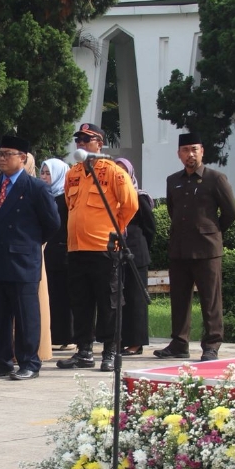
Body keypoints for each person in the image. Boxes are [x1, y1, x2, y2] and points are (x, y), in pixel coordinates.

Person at [0, 136, 60, 381]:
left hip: (22, 261)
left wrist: (29, 243)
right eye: (0, 153)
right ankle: (1, 361)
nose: (2, 158)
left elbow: (52, 224)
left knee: (26, 316)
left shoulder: (36, 188)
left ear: (22, 158)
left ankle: (29, 362)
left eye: (8, 154)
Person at [56, 122, 138, 372]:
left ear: (99, 143)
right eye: (78, 139)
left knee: (109, 303)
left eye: (86, 139)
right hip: (77, 248)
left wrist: (115, 230)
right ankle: (83, 351)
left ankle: (110, 351)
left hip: (104, 247)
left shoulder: (113, 172)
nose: (80, 143)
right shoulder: (73, 173)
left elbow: (130, 205)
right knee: (81, 302)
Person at [153, 133, 235, 362]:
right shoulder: (173, 180)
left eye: (194, 149)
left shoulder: (216, 178)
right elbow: (173, 210)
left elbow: (230, 213)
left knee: (210, 299)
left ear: (202, 151)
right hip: (179, 248)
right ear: (179, 154)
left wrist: (212, 231)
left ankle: (212, 344)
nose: (190, 154)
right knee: (179, 298)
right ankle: (179, 343)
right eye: (185, 150)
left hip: (207, 249)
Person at [116, 158, 156, 356]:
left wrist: (139, 247)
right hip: (115, 252)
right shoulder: (110, 196)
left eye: (123, 170)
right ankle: (119, 340)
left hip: (135, 253)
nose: (120, 174)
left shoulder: (139, 197)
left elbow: (150, 228)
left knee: (135, 298)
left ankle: (136, 343)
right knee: (117, 298)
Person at [39, 158, 71, 349]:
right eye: (42, 173)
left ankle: (69, 336)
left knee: (65, 296)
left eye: (48, 173)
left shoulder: (65, 197)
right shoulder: (44, 196)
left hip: (63, 251)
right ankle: (56, 336)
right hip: (48, 252)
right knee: (52, 296)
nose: (43, 177)